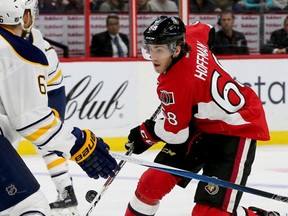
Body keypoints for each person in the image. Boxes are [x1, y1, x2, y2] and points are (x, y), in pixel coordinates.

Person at [123, 15, 279, 216]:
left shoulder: (175, 84)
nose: (153, 56)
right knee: (150, 184)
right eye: (151, 49)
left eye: (159, 50)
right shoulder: (191, 38)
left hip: (236, 128)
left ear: (176, 49)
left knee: (208, 214)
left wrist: (147, 133)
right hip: (201, 126)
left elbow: (176, 134)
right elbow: (207, 29)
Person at [0, 0, 118, 215]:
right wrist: (78, 142)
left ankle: (65, 189)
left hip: (45, 96)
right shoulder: (25, 51)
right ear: (24, 16)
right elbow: (31, 121)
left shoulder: (37, 44)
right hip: (29, 111)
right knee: (27, 207)